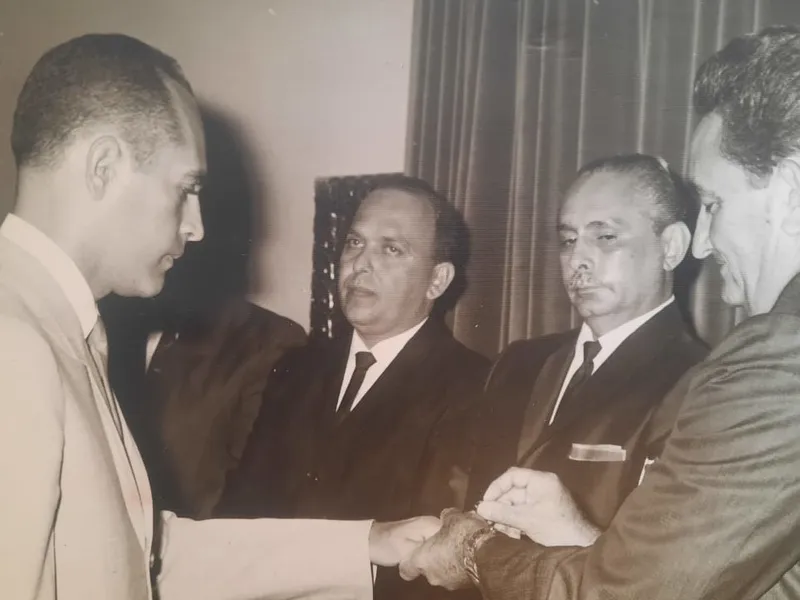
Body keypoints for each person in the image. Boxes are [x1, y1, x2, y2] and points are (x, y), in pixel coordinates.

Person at [0, 33, 438, 600]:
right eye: (185, 189)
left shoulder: (56, 326)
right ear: (103, 167)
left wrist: (371, 542)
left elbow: (144, 555)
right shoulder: (15, 341)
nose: (197, 226)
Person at [398, 25, 800, 599]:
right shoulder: (519, 362)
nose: (707, 243)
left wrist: (472, 548)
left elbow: (625, 591)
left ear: (788, 191)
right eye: (567, 240)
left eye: (713, 204)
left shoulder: (768, 359)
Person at [220, 175, 490, 597]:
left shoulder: (473, 387)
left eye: (391, 249)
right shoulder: (295, 366)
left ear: (437, 281)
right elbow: (240, 509)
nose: (360, 264)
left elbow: (430, 563)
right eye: (354, 243)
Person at [460, 154, 708, 546]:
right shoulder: (518, 363)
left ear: (671, 247)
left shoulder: (701, 381)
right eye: (568, 240)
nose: (577, 260)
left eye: (605, 237)